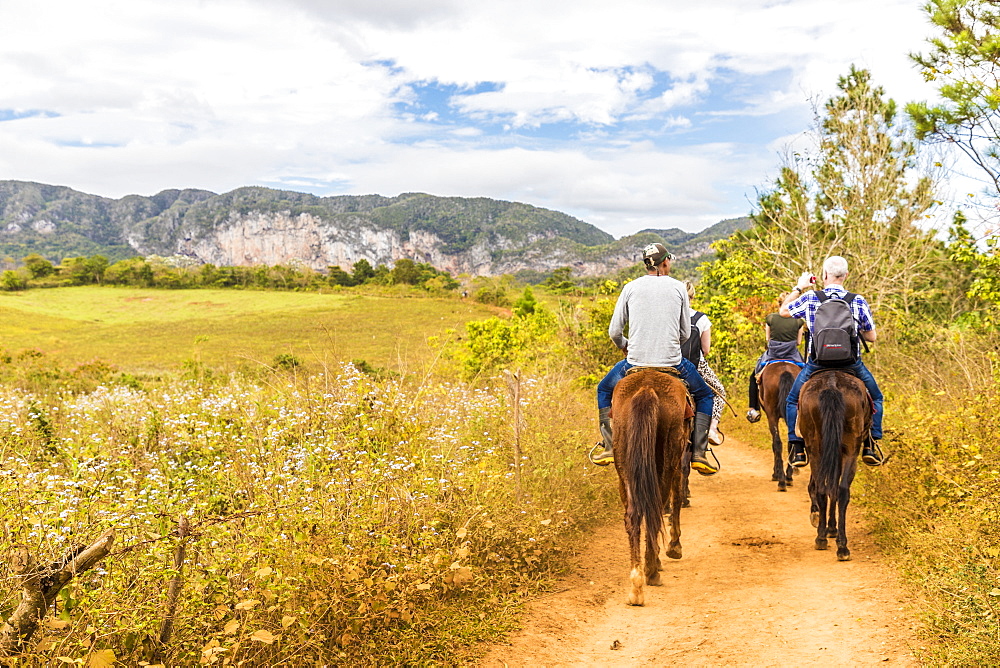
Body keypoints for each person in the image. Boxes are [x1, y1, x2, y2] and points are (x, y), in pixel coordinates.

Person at [591, 243, 718, 475]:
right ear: (665, 262)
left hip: (634, 362)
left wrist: (626, 346)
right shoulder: (679, 288)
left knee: (603, 389)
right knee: (705, 395)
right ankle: (700, 452)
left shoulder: (630, 288)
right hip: (672, 362)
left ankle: (609, 445)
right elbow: (685, 333)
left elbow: (614, 332)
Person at [781, 256, 885, 467]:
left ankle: (797, 447)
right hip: (851, 364)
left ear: (824, 275)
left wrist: (799, 287)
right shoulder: (857, 300)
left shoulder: (811, 298)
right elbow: (872, 337)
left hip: (817, 364)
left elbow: (783, 311)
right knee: (877, 398)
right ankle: (870, 443)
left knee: (792, 400)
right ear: (846, 275)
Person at [746, 293, 805, 423]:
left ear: (779, 304)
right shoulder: (799, 320)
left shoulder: (771, 318)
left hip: (773, 354)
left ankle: (753, 409)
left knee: (753, 376)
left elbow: (768, 339)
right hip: (792, 355)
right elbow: (799, 342)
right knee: (809, 375)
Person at [684, 280, 726, 445]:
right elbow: (706, 349)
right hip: (695, 366)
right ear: (692, 297)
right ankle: (711, 429)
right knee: (719, 393)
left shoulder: (668, 316)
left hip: (667, 363)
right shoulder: (701, 319)